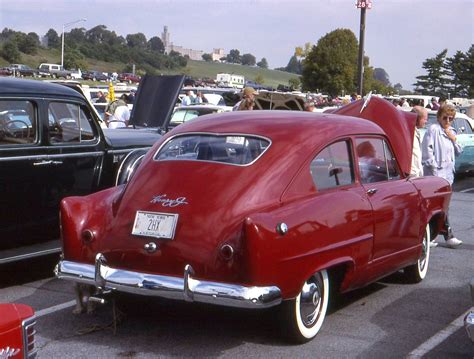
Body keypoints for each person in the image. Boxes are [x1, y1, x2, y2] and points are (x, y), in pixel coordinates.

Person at [421, 104, 463, 248]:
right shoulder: (433, 130)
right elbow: (427, 152)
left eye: (450, 118)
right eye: (445, 117)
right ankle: (448, 235)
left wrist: (453, 139)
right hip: (436, 175)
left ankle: (430, 235)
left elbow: (459, 151)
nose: (447, 121)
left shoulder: (451, 131)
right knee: (440, 206)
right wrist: (434, 172)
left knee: (440, 207)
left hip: (448, 176)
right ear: (439, 117)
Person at [410, 106, 428, 177]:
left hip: (416, 172)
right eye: (425, 119)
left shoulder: (416, 131)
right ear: (417, 118)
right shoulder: (410, 132)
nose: (426, 121)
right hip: (412, 173)